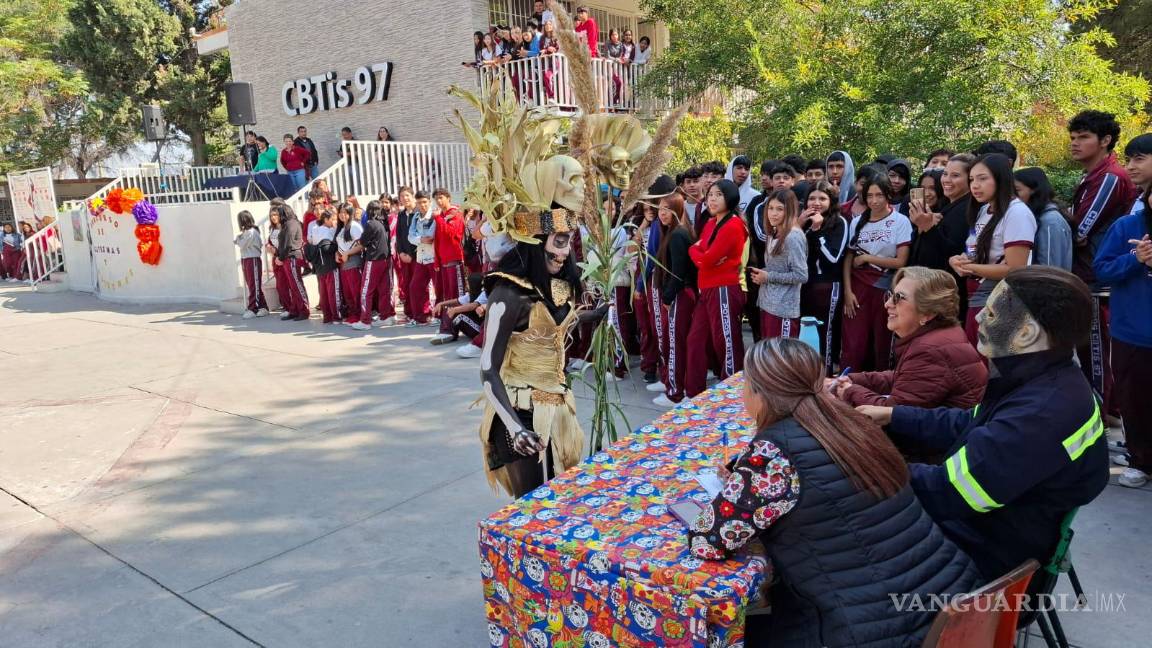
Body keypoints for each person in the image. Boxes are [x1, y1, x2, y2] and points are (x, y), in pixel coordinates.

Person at [689, 337, 980, 647]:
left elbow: (708, 542)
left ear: (758, 393)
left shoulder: (773, 456)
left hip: (877, 632)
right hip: (955, 607)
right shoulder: (850, 421)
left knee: (715, 633)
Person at [858, 267, 1109, 581]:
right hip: (995, 531)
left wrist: (861, 462)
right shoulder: (1044, 379)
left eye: (991, 313)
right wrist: (894, 415)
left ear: (1026, 333)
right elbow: (970, 421)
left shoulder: (1041, 412)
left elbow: (948, 491)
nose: (977, 319)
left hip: (984, 561)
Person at [480, 213, 590, 498]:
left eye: (569, 243)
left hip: (559, 410)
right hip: (519, 414)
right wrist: (515, 429)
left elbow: (553, 326)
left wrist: (595, 315)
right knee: (532, 508)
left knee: (562, 502)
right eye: (560, 241)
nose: (565, 252)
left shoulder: (558, 285)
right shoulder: (507, 295)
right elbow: (488, 370)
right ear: (535, 242)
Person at [829, 267, 985, 410]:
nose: (888, 304)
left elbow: (893, 414)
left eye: (899, 298)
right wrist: (852, 379)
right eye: (891, 295)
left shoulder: (929, 350)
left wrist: (849, 391)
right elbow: (902, 378)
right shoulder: (939, 336)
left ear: (927, 313)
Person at [1068, 111, 1140, 420]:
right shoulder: (1091, 176)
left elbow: (1080, 232)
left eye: (1083, 137)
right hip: (1089, 276)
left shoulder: (1110, 177)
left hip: (1098, 279)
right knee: (1089, 351)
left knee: (1097, 354)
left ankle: (1100, 415)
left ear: (1105, 140)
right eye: (1073, 137)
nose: (1075, 144)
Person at [1094, 189, 1152, 487]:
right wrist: (1136, 259)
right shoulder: (1127, 227)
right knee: (1135, 399)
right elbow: (1101, 269)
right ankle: (1140, 460)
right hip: (1133, 331)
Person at [950, 153, 1037, 346]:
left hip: (999, 300)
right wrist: (957, 260)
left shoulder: (1017, 213)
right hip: (977, 294)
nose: (975, 185)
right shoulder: (984, 210)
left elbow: (1015, 269)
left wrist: (971, 268)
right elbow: (975, 253)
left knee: (992, 363)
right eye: (972, 179)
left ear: (1001, 178)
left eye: (983, 178)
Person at [841, 174, 912, 372]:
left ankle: (881, 388)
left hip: (885, 288)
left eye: (879, 195)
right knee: (854, 342)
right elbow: (848, 257)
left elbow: (901, 261)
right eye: (869, 195)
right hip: (857, 287)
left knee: (882, 340)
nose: (874, 200)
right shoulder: (857, 222)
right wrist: (847, 292)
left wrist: (867, 258)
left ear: (888, 194)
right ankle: (848, 384)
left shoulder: (900, 221)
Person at [684, 180, 748, 398]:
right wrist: (700, 253)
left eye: (718, 195)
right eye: (710, 194)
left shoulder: (734, 225)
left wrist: (698, 253)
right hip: (707, 288)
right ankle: (693, 392)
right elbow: (700, 253)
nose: (712, 199)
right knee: (696, 339)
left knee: (726, 342)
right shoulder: (711, 223)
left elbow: (706, 259)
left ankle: (733, 393)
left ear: (729, 197)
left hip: (724, 289)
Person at [650, 192, 697, 407]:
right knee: (674, 340)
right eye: (660, 208)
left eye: (667, 209)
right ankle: (673, 384)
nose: (662, 213)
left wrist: (668, 297)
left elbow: (679, 272)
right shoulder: (673, 232)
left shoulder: (678, 234)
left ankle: (675, 393)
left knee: (675, 342)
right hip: (679, 294)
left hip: (680, 295)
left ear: (677, 210)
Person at [799, 181, 848, 374]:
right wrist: (800, 225)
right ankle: (806, 374)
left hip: (828, 285)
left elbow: (834, 258)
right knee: (805, 329)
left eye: (822, 198)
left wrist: (818, 231)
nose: (816, 202)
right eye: (812, 198)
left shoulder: (839, 222)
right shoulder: (802, 222)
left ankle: (825, 374)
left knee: (825, 331)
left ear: (831, 200)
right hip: (805, 285)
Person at [751, 190, 808, 339]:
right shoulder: (773, 232)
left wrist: (768, 276)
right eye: (770, 208)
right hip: (767, 304)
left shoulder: (793, 237)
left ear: (790, 211)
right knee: (769, 356)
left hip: (783, 309)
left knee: (781, 358)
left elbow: (801, 275)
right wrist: (761, 274)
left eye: (780, 209)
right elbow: (776, 268)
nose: (773, 213)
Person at [1014, 168, 1073, 271]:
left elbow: (1049, 269)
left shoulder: (1050, 221)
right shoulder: (1036, 216)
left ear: (1034, 190)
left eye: (1017, 190)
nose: (1013, 196)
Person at [350, 200, 394, 331]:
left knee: (366, 291)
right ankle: (385, 317)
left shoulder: (370, 224)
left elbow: (362, 243)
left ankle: (365, 321)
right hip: (386, 260)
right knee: (384, 290)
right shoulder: (382, 224)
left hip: (374, 260)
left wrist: (348, 251)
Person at [272, 201, 310, 321]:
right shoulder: (288, 224)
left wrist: (280, 258)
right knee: (292, 286)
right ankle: (295, 310)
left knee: (297, 285)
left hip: (292, 257)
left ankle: (304, 310)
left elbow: (288, 244)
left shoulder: (291, 224)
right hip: (288, 257)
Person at [406, 190, 437, 325]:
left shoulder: (434, 216)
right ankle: (421, 317)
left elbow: (430, 237)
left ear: (429, 202)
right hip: (421, 257)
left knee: (438, 287)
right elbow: (410, 236)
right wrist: (420, 239)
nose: (422, 205)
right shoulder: (416, 216)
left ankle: (439, 317)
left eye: (424, 202)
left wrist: (419, 238)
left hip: (433, 257)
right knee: (415, 287)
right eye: (419, 202)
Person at [431, 188, 466, 310]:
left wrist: (438, 219)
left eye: (441, 197)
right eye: (436, 199)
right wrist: (437, 261)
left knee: (458, 295)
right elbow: (438, 240)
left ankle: (460, 320)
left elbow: (452, 233)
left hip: (455, 260)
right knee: (448, 295)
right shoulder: (441, 215)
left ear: (448, 198)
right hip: (443, 262)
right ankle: (450, 323)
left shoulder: (455, 213)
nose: (438, 201)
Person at [233, 211, 269, 319]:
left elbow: (241, 243)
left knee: (254, 285)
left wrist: (239, 239)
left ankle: (253, 308)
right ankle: (263, 307)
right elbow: (239, 242)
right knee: (252, 285)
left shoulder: (251, 232)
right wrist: (239, 239)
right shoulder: (247, 232)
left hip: (252, 259)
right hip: (246, 259)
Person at [308, 208, 341, 324]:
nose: (334, 222)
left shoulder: (315, 229)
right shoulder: (329, 231)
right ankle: (336, 317)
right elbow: (329, 247)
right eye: (333, 219)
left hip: (319, 266)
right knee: (333, 291)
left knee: (323, 292)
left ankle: (327, 316)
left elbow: (310, 241)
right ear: (326, 219)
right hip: (330, 265)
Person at [334, 202, 364, 326]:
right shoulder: (341, 228)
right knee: (348, 292)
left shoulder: (354, 226)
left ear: (350, 213)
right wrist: (337, 254)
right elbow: (340, 245)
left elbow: (361, 245)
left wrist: (347, 253)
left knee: (355, 291)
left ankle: (359, 315)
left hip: (354, 262)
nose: (342, 215)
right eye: (340, 212)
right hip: (344, 264)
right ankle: (352, 314)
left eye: (345, 213)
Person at [393, 187, 419, 325]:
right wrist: (401, 253)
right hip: (404, 257)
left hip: (417, 257)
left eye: (407, 195)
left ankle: (421, 313)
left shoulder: (418, 213)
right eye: (402, 196)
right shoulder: (401, 215)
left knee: (418, 285)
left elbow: (420, 237)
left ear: (413, 196)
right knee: (406, 285)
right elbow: (399, 235)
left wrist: (412, 255)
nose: (405, 198)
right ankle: (409, 313)